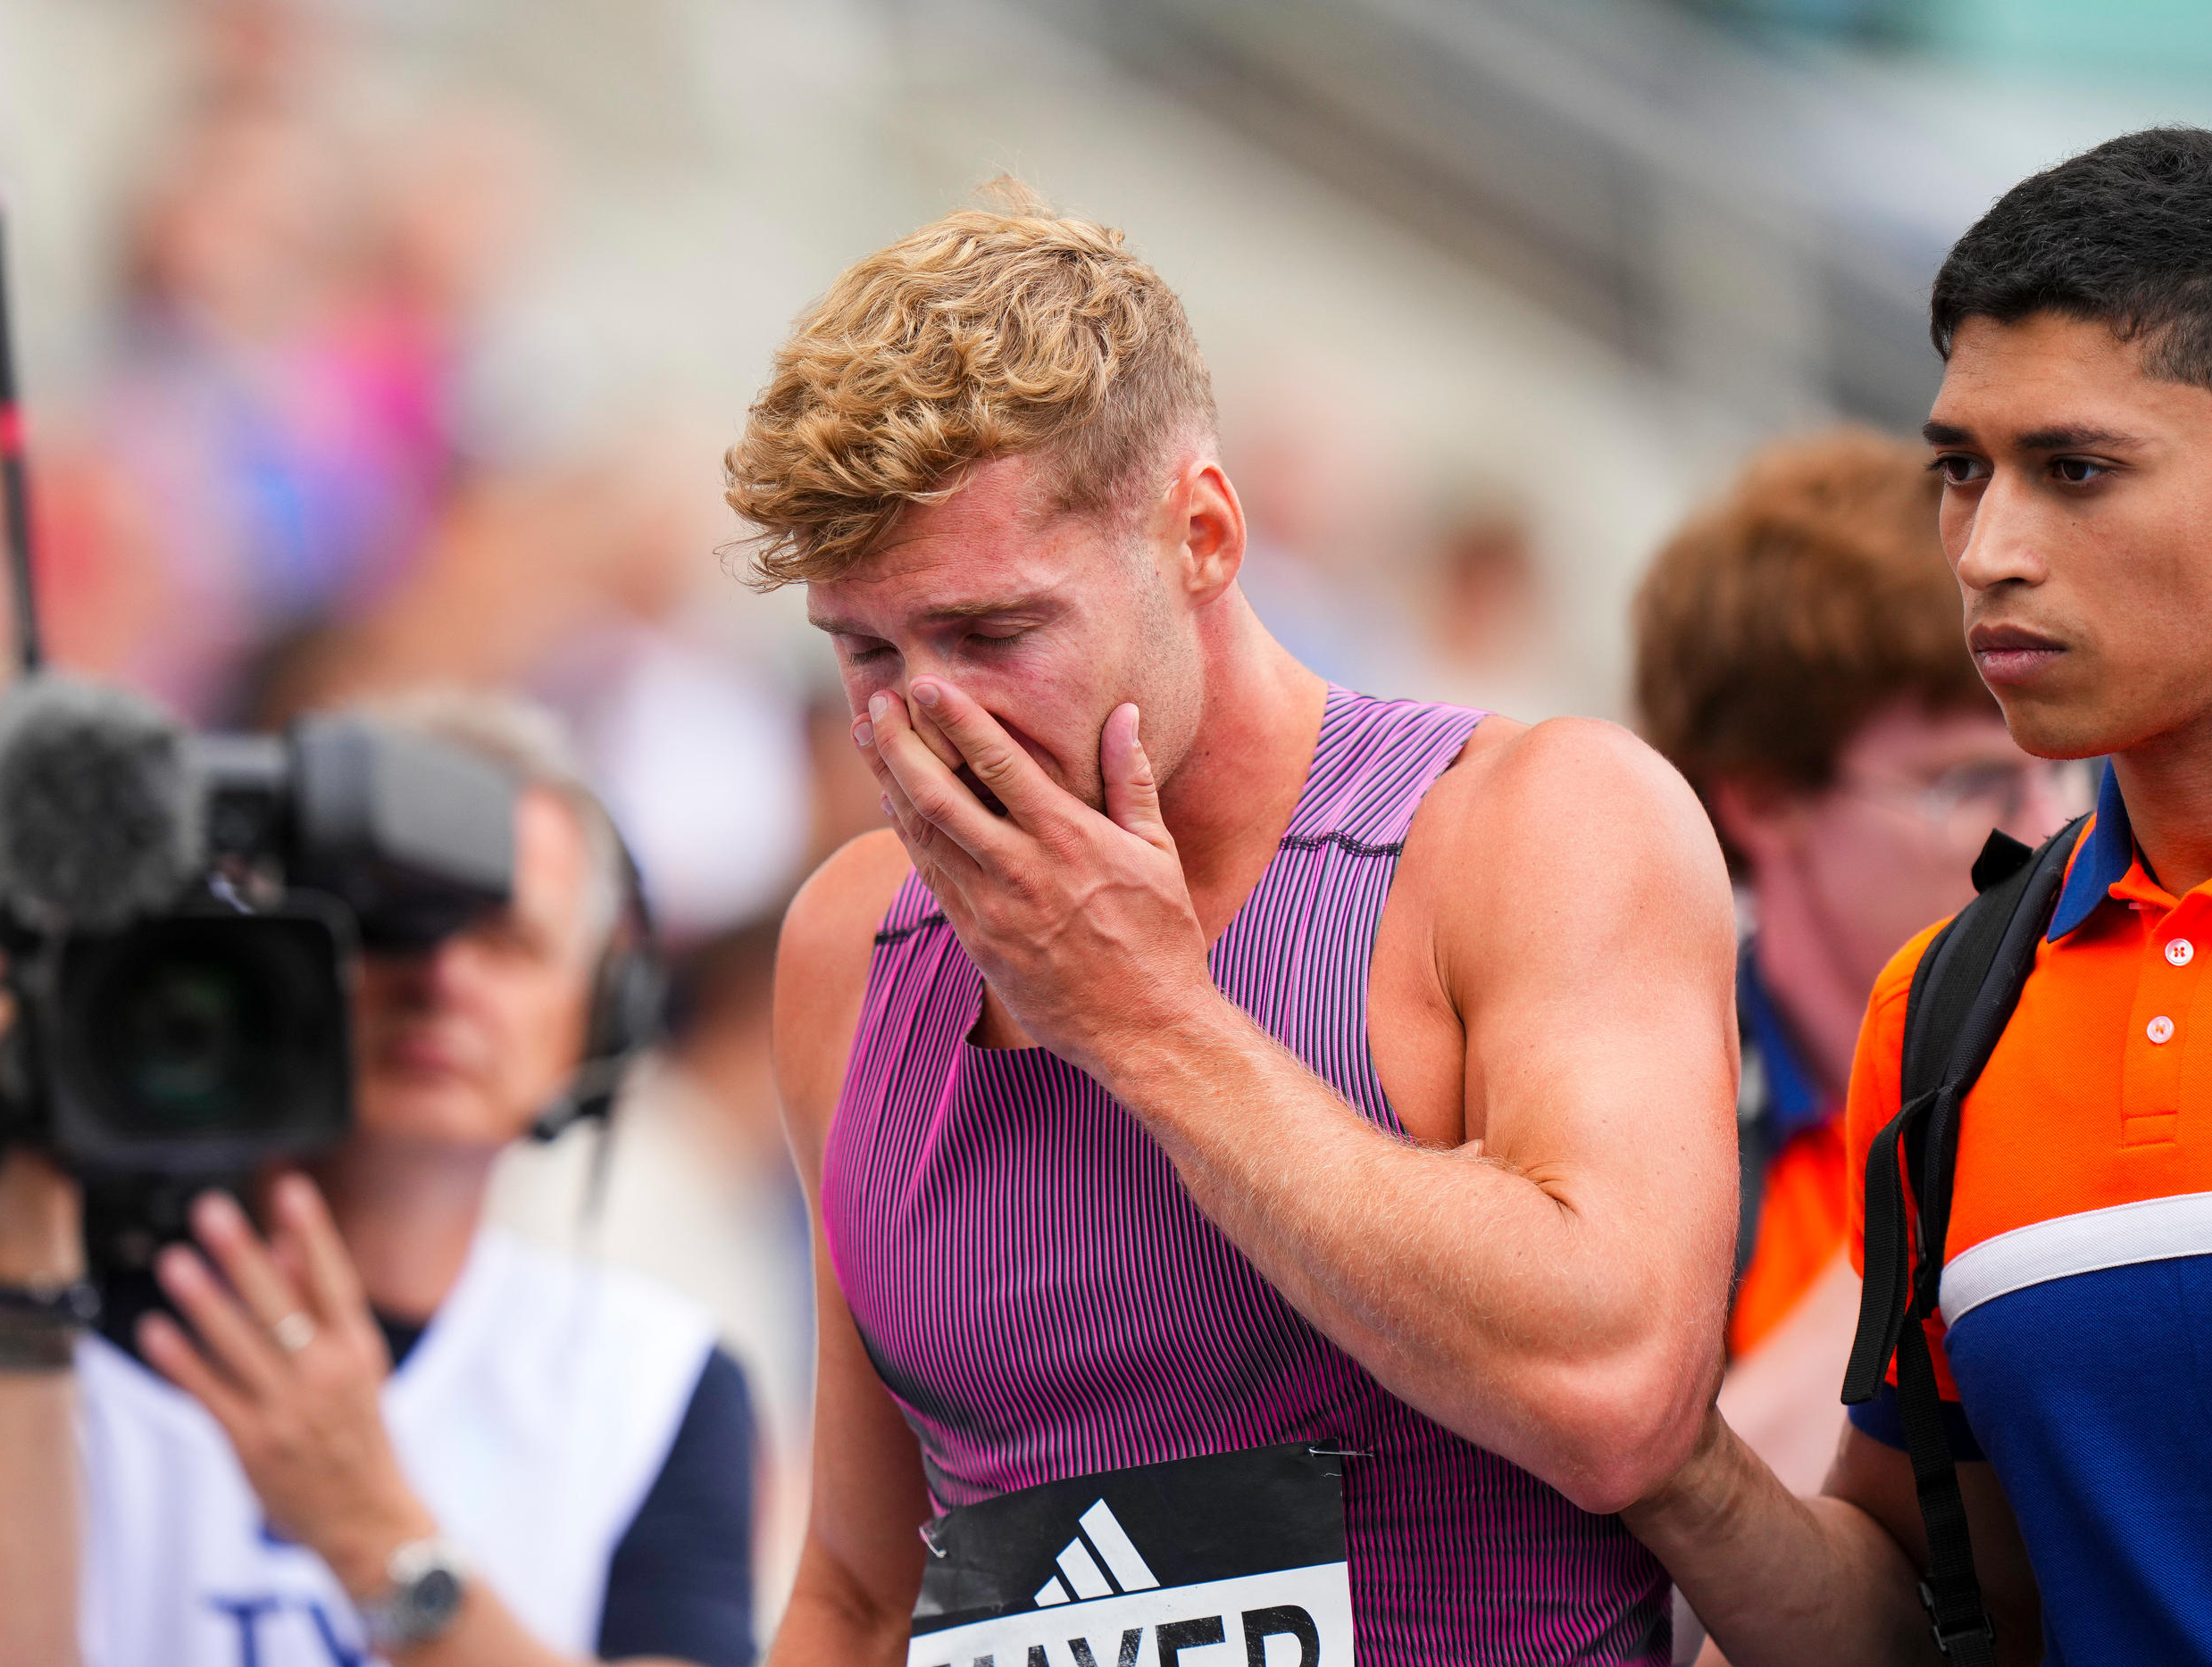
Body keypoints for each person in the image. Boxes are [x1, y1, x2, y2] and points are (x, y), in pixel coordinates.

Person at [725, 186, 1740, 1665]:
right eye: (866, 652)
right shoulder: (853, 935)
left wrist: (1146, 1021)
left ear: (1201, 532)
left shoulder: (1530, 823)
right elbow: (867, 1590)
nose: (927, 725)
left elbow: (1620, 1393)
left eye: (994, 635)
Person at [1624, 127, 2212, 1667]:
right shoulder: (1945, 1013)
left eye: (2076, 469)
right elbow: (1931, 1606)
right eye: (1964, 471)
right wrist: (1666, 1460)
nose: (1989, 552)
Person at [0, 689, 757, 1667]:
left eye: (502, 941)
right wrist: (21, 1304)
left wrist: (370, 1530)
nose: (440, 979)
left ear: (604, 1015)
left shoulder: (650, 1382)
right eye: (385, 929)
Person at [1630, 429, 2086, 1496]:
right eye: (1968, 784)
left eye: (2059, 775)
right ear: (1764, 797)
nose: (2042, 840)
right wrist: (1942, 1163)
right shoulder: (1626, 1106)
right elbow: (1641, 1575)